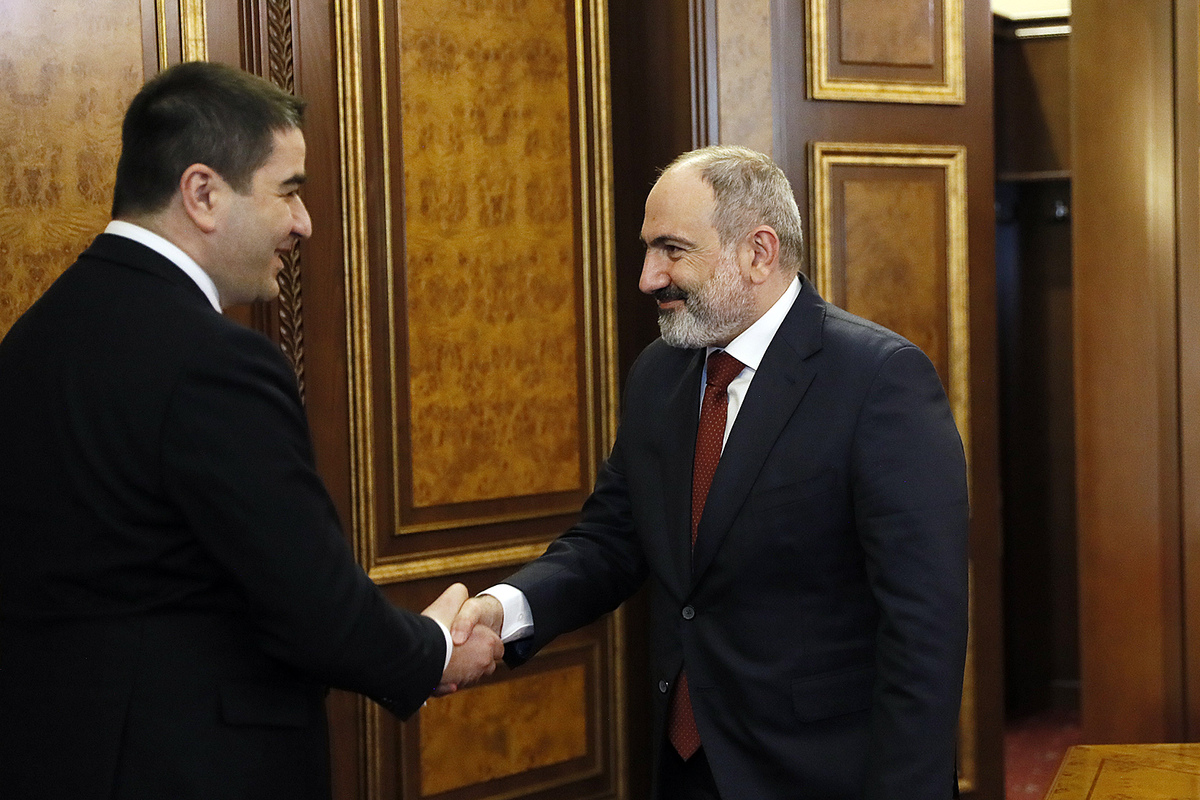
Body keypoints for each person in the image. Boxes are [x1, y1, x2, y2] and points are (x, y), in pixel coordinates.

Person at [0, 61, 502, 800]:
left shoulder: (32, 337)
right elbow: (314, 605)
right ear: (202, 193)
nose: (303, 222)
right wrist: (432, 650)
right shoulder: (214, 360)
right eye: (288, 191)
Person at [451, 145, 970, 799]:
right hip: (686, 767)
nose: (648, 277)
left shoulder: (877, 379)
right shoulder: (658, 374)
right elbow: (611, 540)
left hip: (821, 774)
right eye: (648, 250)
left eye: (671, 250)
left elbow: (924, 628)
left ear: (758, 253)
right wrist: (503, 610)